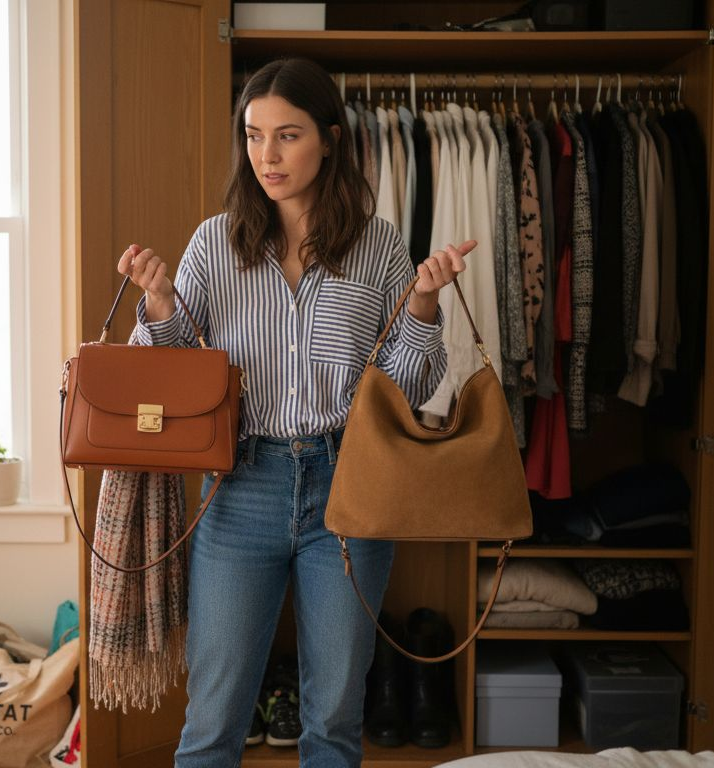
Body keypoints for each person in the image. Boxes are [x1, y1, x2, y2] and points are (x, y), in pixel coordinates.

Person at [117, 57, 475, 768]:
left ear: (331, 140)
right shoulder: (213, 243)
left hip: (352, 487)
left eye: (287, 135)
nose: (266, 156)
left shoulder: (377, 246)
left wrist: (425, 306)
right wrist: (159, 306)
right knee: (213, 720)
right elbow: (172, 377)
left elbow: (407, 385)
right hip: (239, 486)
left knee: (335, 718)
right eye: (253, 136)